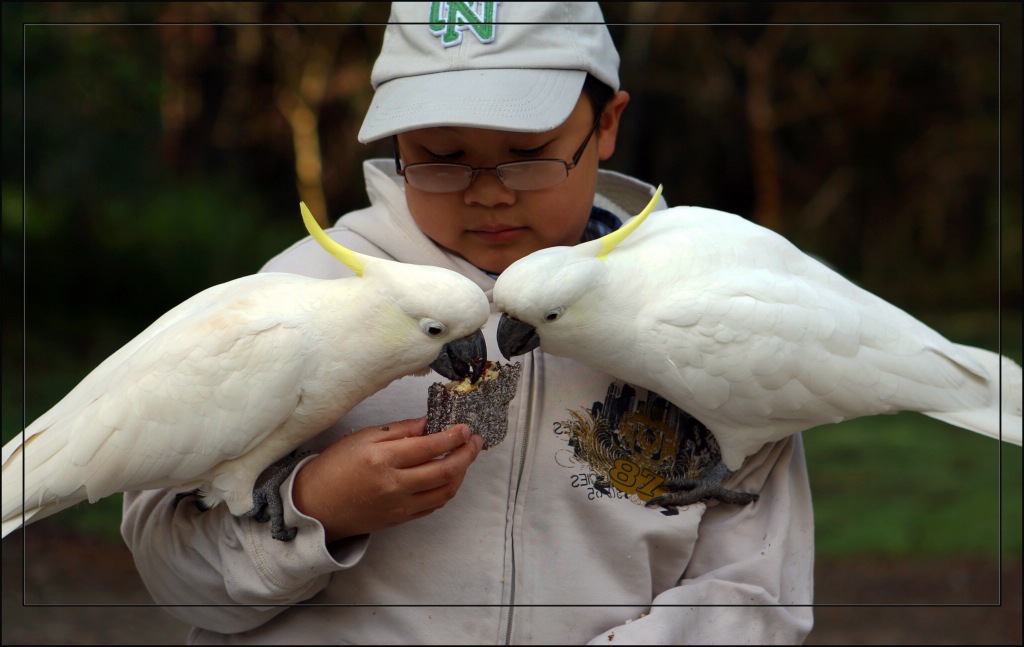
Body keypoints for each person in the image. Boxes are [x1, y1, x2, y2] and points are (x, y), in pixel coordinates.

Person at [122, 3, 815, 644]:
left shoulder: (712, 312)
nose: (488, 191)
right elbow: (174, 574)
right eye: (441, 157)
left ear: (607, 125)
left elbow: (757, 590)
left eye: (527, 151)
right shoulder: (295, 294)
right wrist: (314, 508)